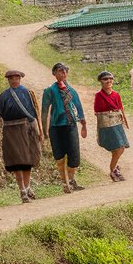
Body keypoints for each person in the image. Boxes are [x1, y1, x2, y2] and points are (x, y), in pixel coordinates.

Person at [41, 62, 87, 194]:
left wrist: (83, 124)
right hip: (56, 126)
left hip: (71, 124)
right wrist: (44, 130)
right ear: (54, 73)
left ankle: (71, 180)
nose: (63, 73)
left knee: (74, 155)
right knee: (59, 155)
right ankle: (64, 183)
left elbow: (78, 108)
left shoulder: (72, 91)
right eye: (60, 71)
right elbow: (44, 111)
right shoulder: (50, 91)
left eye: (65, 71)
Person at [0, 69, 43, 203]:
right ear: (8, 80)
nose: (14, 80)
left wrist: (38, 130)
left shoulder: (28, 93)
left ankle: (27, 187)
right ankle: (22, 189)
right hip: (11, 130)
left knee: (27, 159)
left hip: (26, 128)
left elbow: (35, 112)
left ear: (20, 79)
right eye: (11, 78)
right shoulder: (4, 96)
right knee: (16, 161)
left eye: (16, 78)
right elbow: (1, 113)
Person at [94, 70, 130, 181]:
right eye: (105, 79)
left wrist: (125, 119)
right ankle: (112, 170)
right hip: (107, 126)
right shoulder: (99, 96)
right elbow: (97, 112)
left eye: (110, 79)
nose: (109, 81)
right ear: (101, 81)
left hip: (117, 123)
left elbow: (120, 108)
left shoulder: (116, 95)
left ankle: (114, 168)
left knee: (121, 148)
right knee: (118, 148)